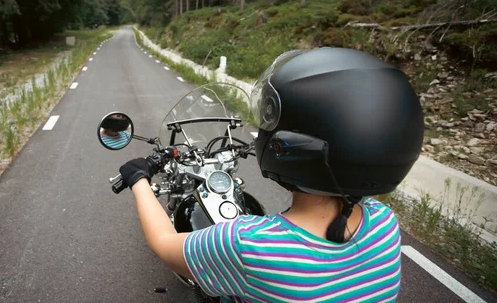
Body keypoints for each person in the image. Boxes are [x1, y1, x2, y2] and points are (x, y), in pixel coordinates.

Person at [118, 48, 424, 302]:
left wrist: (138, 179)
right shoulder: (385, 225)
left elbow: (163, 242)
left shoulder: (249, 244)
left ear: (285, 146)